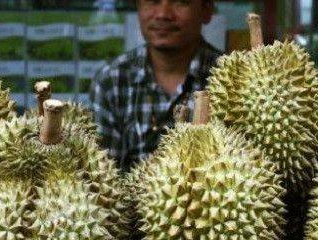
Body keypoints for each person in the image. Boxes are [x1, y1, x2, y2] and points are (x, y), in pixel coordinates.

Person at [89, 0, 221, 170]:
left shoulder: (232, 82)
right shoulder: (110, 81)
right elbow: (102, 178)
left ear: (207, 10)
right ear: (138, 7)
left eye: (179, 2)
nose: (163, 14)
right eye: (152, 1)